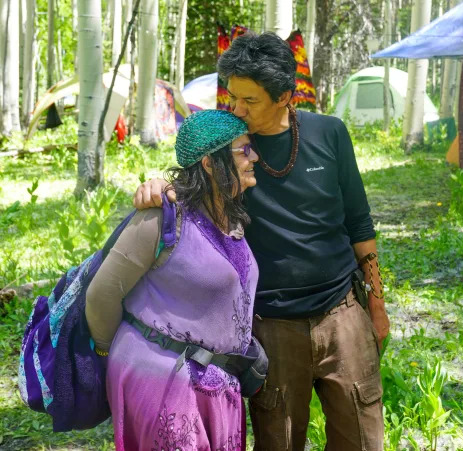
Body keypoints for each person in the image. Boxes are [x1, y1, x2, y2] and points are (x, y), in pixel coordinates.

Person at [134, 32, 390, 450]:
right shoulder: (231, 147)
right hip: (270, 327)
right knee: (279, 441)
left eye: (249, 101)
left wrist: (376, 306)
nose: (236, 109)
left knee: (362, 437)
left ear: (285, 96)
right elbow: (191, 181)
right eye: (232, 97)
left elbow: (360, 227)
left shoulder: (330, 134)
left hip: (343, 316)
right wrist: (158, 186)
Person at [86, 109, 260, 450]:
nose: (254, 157)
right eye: (243, 151)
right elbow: (102, 294)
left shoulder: (231, 213)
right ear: (210, 164)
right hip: (163, 381)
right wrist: (105, 354)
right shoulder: (163, 217)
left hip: (215, 383)